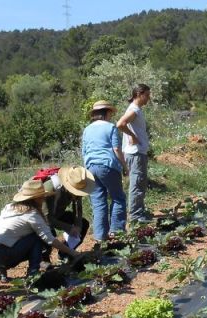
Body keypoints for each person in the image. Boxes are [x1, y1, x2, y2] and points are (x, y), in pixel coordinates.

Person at [0, 180, 81, 283]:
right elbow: (49, 240)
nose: (44, 199)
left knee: (21, 237)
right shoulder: (31, 214)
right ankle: (33, 274)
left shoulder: (10, 207)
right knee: (36, 238)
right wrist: (72, 252)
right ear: (36, 199)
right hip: (1, 253)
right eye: (42, 197)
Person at [83, 100, 127, 240]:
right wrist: (125, 166)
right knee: (118, 198)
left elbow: (84, 151)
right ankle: (116, 232)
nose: (111, 115)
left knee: (98, 201)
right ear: (107, 112)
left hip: (91, 167)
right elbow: (116, 149)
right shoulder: (111, 127)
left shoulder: (87, 129)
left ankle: (100, 236)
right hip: (107, 165)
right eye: (110, 113)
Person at [41, 166, 94, 260]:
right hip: (42, 218)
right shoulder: (51, 188)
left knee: (84, 224)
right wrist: (68, 227)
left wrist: (78, 226)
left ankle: (65, 253)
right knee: (49, 230)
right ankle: (43, 259)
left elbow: (78, 208)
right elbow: (47, 219)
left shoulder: (78, 186)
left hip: (57, 214)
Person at [116, 84, 151, 224]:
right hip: (135, 153)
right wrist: (132, 136)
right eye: (147, 95)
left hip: (137, 152)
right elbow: (120, 124)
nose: (148, 98)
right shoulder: (134, 110)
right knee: (137, 183)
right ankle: (136, 216)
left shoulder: (136, 109)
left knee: (139, 183)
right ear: (139, 94)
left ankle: (139, 212)